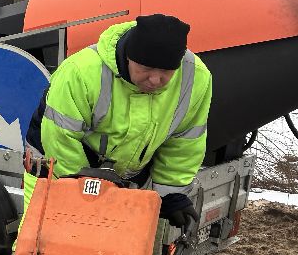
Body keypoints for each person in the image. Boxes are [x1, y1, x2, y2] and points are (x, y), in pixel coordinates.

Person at [26, 12, 213, 229]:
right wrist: (87, 195)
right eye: (145, 68)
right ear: (128, 57)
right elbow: (60, 140)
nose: (155, 79)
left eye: (165, 72)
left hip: (121, 179)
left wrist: (170, 194)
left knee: (109, 252)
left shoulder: (195, 78)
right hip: (56, 170)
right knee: (46, 244)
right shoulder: (81, 72)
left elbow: (184, 143)